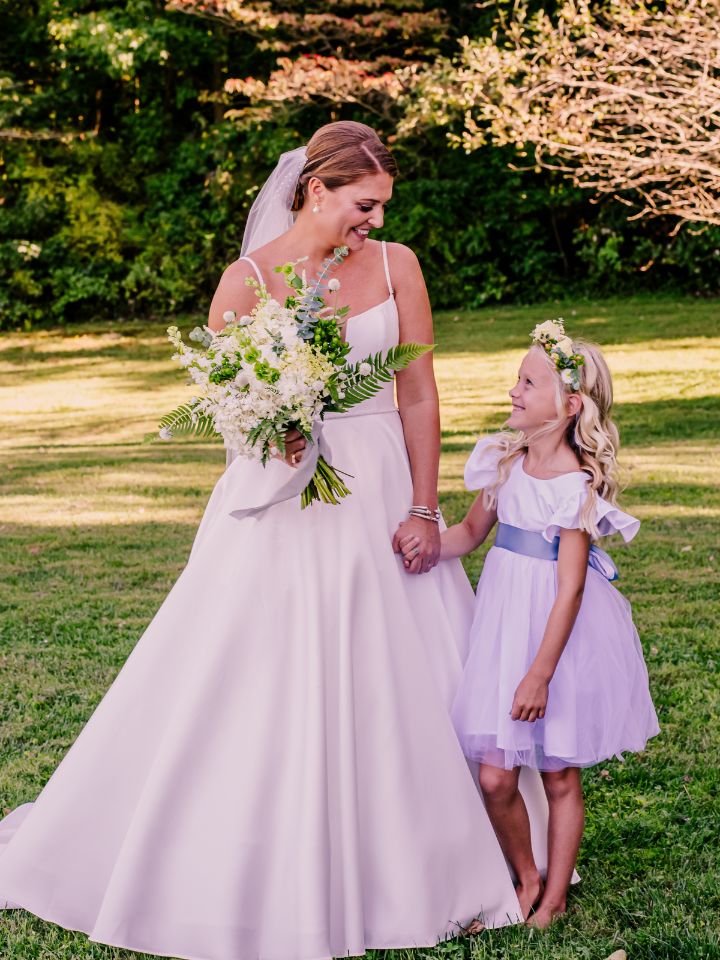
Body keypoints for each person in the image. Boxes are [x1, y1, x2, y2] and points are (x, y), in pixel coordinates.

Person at [0, 121, 548, 960]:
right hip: (283, 505)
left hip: (384, 503)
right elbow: (233, 414)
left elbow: (417, 396)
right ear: (316, 189)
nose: (374, 219)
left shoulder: (399, 266)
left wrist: (424, 508)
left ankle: (446, 862)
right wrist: (278, 435)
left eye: (383, 206)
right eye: (364, 204)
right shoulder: (245, 282)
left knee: (407, 675)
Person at [400, 322, 659, 927]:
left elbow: (570, 588)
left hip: (554, 644)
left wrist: (539, 676)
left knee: (558, 771)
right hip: (501, 632)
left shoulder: (575, 487)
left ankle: (556, 896)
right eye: (517, 379)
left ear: (569, 406)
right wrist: (422, 545)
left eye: (528, 382)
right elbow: (466, 535)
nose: (513, 390)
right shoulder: (503, 463)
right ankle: (527, 873)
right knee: (495, 777)